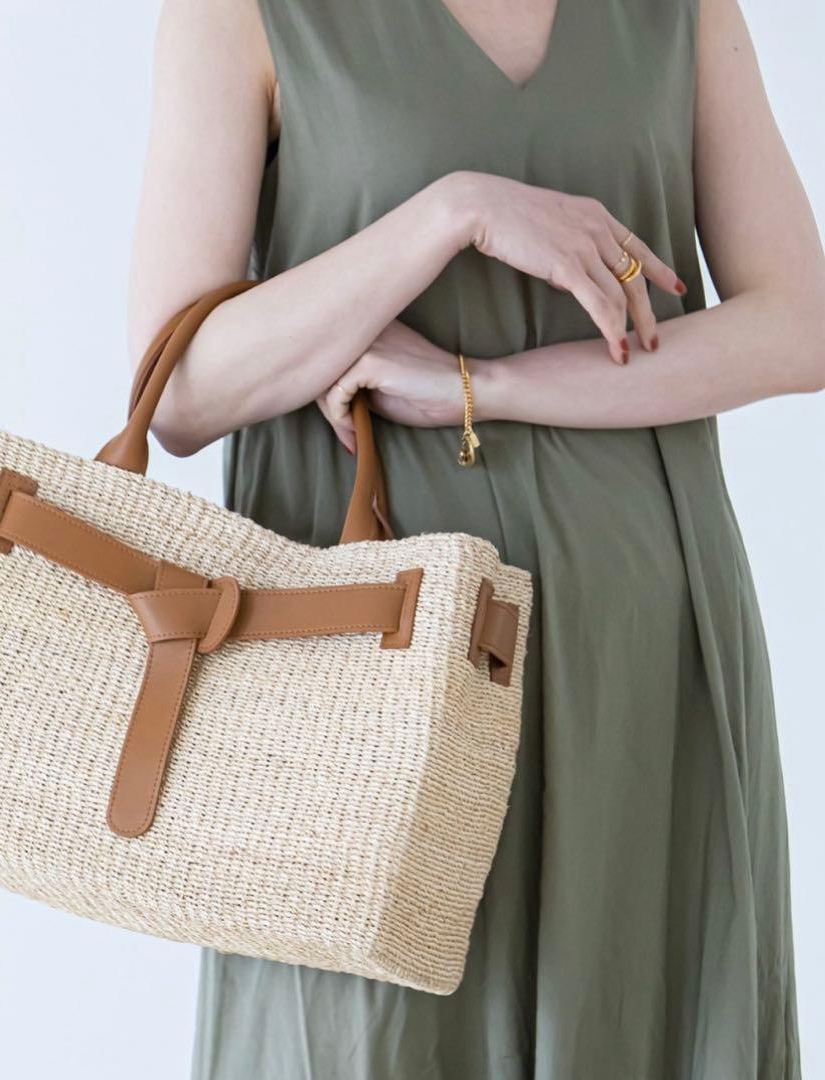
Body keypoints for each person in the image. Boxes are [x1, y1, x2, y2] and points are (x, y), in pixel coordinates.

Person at [125, 0, 821, 1075]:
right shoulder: (241, 14)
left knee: (632, 1010)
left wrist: (482, 385)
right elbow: (181, 390)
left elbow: (800, 324)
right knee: (366, 1035)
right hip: (361, 652)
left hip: (634, 637)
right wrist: (455, 213)